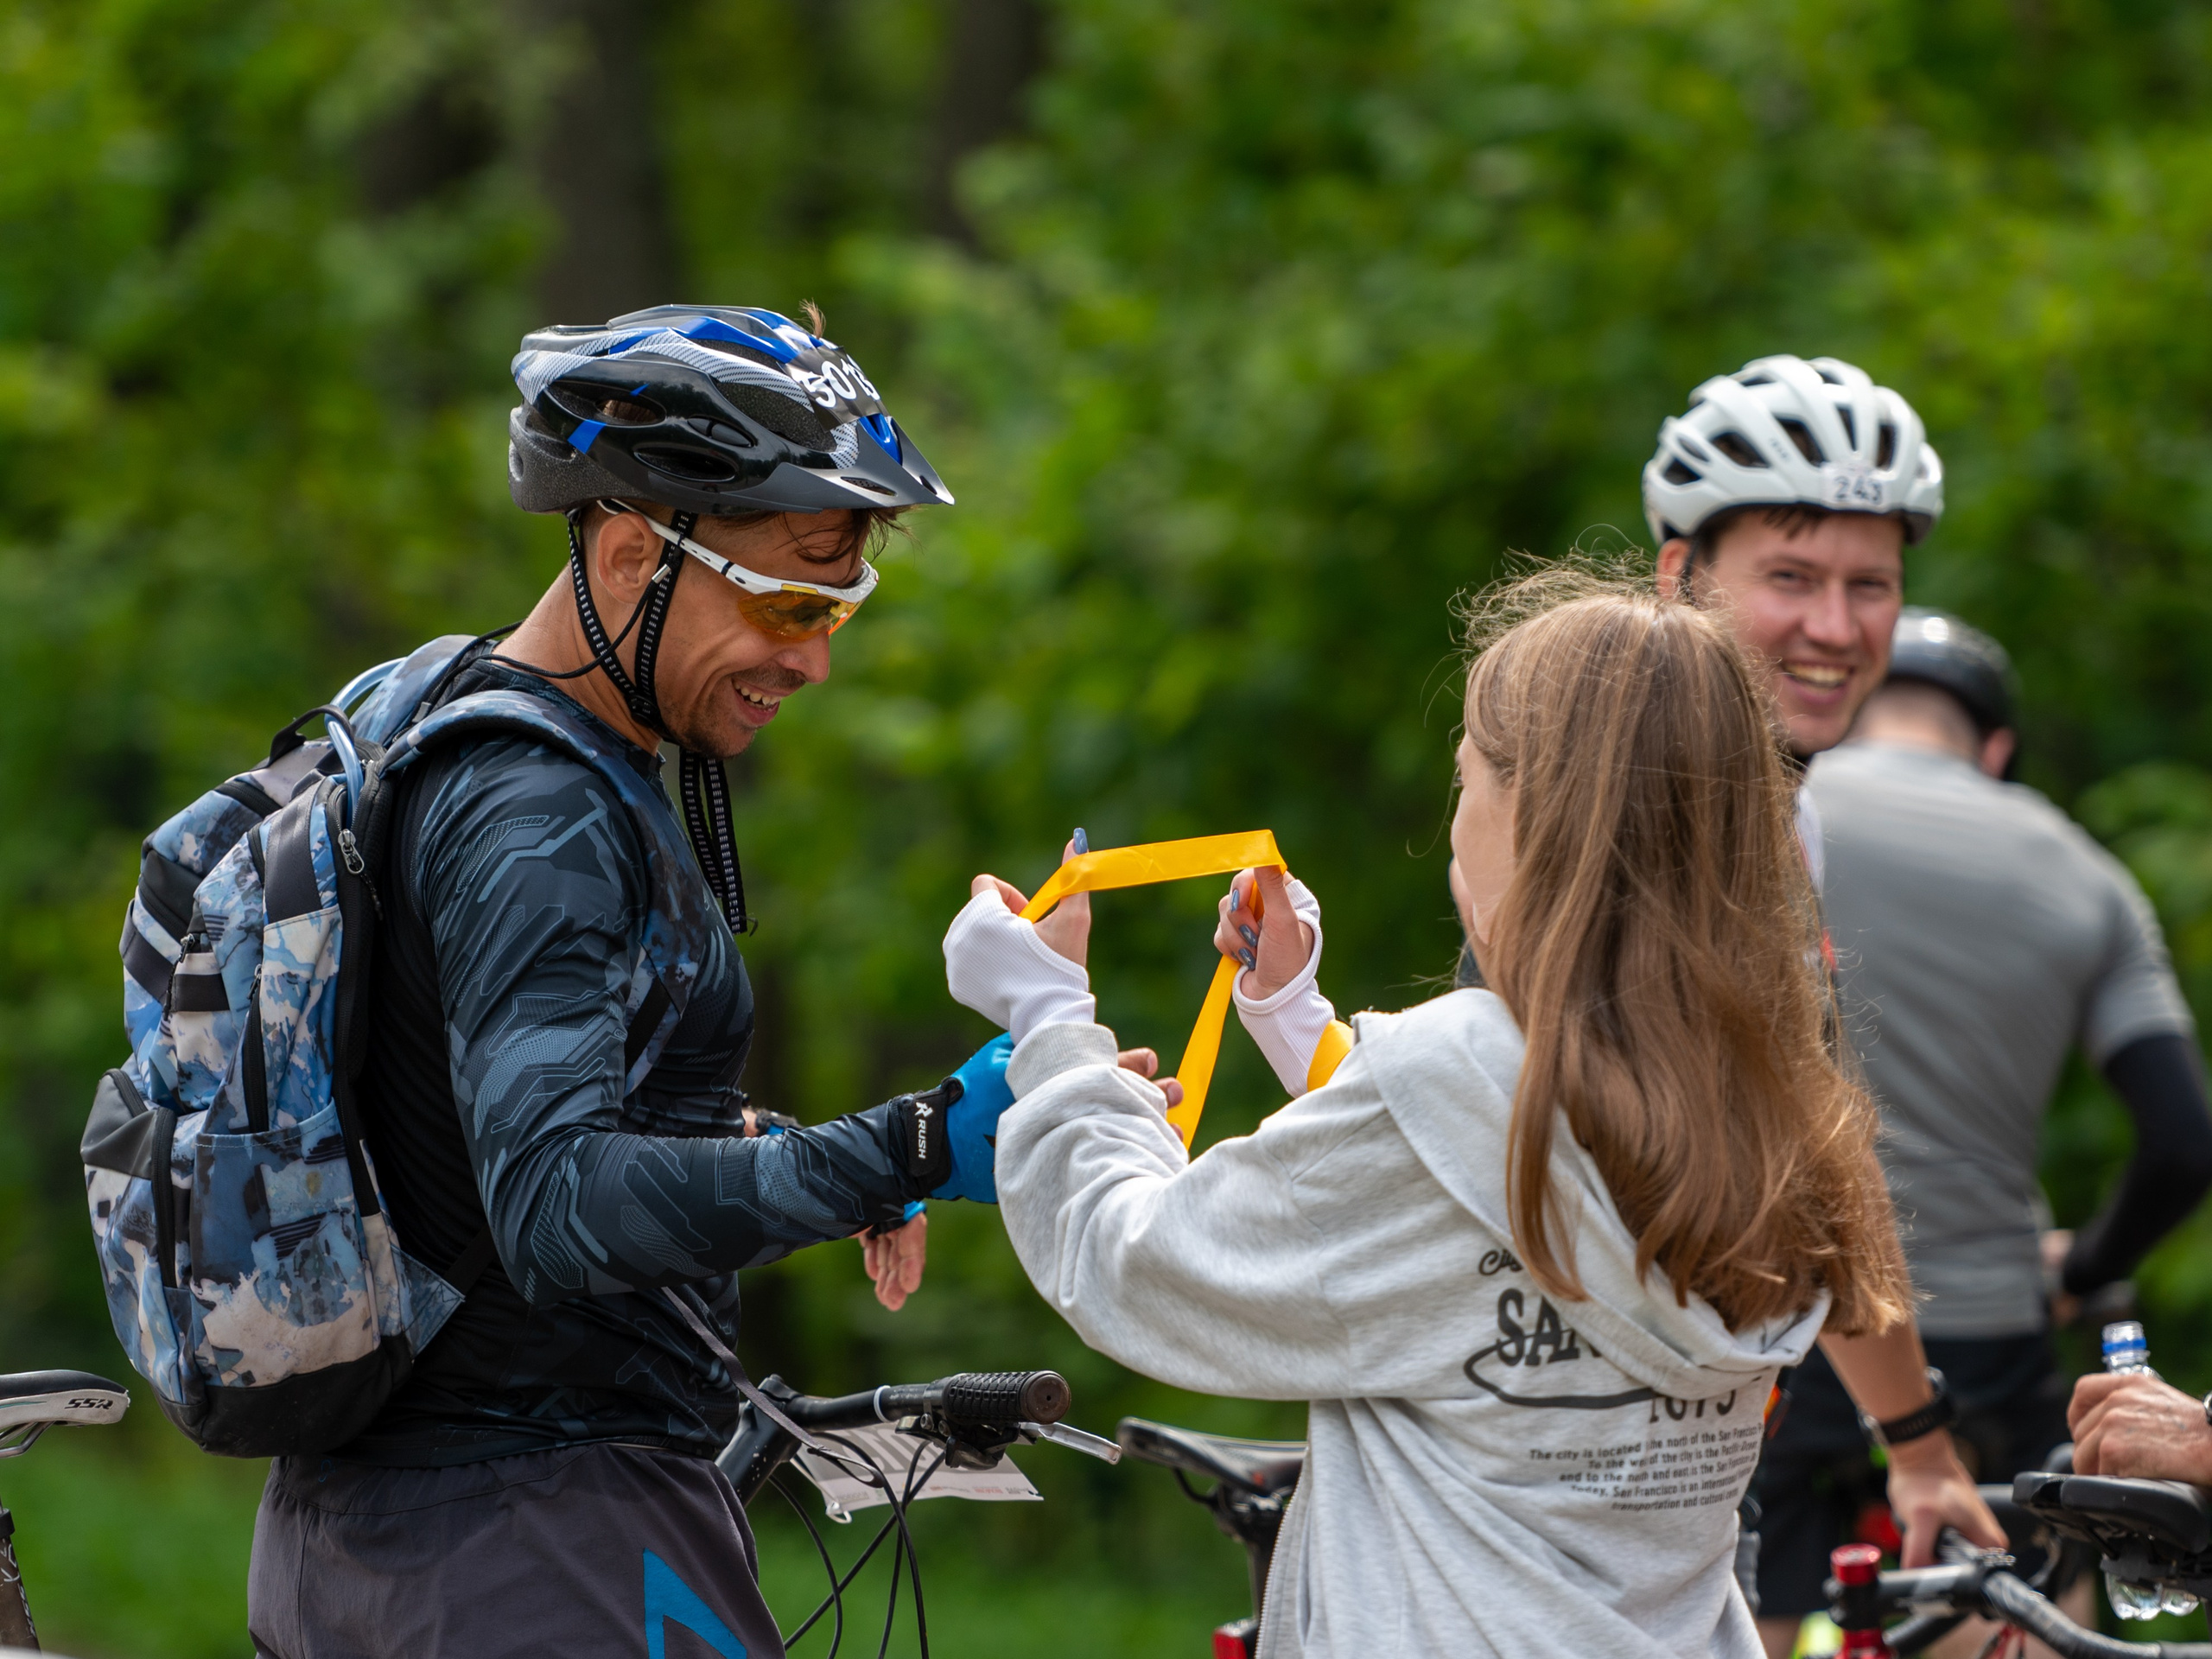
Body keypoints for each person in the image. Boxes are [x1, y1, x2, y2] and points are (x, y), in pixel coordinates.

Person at [942, 571, 1938, 1657]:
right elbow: (1468, 1219)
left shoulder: (1463, 1069)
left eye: (1465, 776)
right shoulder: (1769, 1092)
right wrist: (1290, 1018)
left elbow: (1127, 1265)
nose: (1455, 815)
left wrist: (1046, 1018)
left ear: (1535, 813)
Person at [245, 304, 1013, 1659]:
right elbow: (551, 1206)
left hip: (386, 1547)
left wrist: (817, 1162)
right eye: (785, 599)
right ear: (622, 554)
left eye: (841, 604)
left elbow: (466, 1138)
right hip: (532, 1540)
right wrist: (908, 1147)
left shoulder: (429, 717)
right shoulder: (534, 810)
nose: (817, 656)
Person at [1637, 354, 2007, 1653]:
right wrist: (1917, 1444)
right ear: (1683, 577)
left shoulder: (1773, 812)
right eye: (1790, 578)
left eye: (1872, 586)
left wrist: (1915, 1443)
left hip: (1676, 1452)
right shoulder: (1640, 810)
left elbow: (1810, 1153)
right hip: (1589, 1488)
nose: (1839, 628)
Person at [1759, 608, 2212, 1646]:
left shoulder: (1776, 815)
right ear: (1995, 747)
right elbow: (2183, 1141)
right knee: (2007, 1616)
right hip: (1990, 1329)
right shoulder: (2085, 874)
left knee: (1745, 1617)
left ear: (1853, 703)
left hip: (1786, 1313)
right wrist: (2084, 1262)